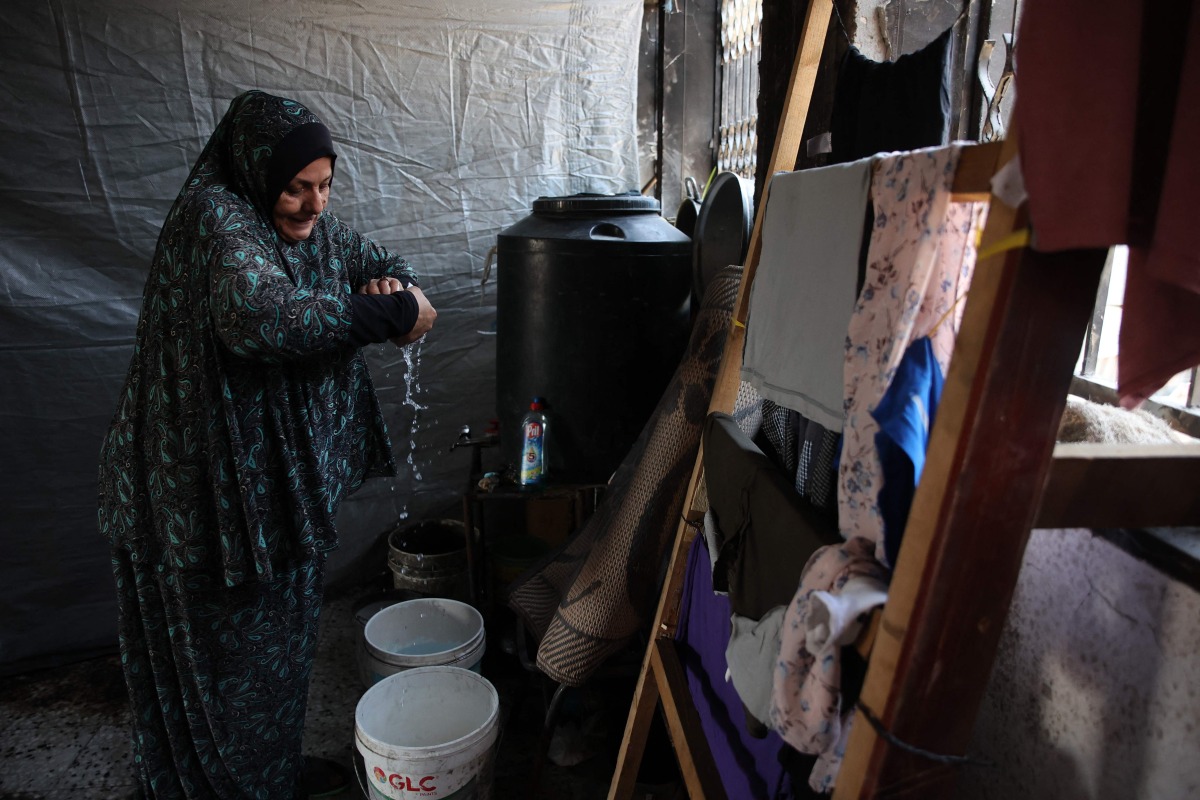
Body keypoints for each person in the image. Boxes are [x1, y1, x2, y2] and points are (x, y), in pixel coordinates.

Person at [97, 90, 435, 799]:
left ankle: (268, 776)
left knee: (278, 653)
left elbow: (380, 260)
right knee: (224, 662)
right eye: (295, 188)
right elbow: (265, 317)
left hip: (270, 494)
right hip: (201, 498)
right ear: (255, 173)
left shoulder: (317, 229)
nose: (314, 205)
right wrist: (397, 308)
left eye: (324, 185)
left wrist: (390, 284)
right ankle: (220, 786)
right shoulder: (216, 219)